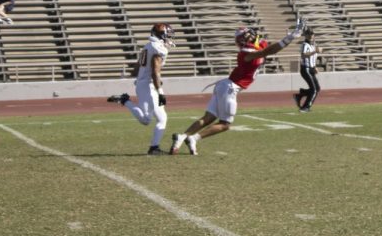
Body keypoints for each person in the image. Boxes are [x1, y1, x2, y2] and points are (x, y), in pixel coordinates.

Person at [170, 17, 306, 155]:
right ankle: (193, 138)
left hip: (225, 85)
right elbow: (268, 52)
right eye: (248, 35)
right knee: (225, 125)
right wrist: (290, 38)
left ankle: (182, 137)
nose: (252, 35)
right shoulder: (245, 53)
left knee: (208, 118)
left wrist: (290, 36)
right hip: (230, 87)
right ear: (243, 40)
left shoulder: (258, 44)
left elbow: (271, 47)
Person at [107, 23, 175, 154]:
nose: (169, 39)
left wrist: (138, 78)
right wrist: (160, 92)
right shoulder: (159, 48)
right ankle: (154, 148)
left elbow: (139, 65)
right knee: (155, 119)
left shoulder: (148, 46)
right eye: (168, 36)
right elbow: (155, 72)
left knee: (153, 119)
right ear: (162, 35)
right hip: (149, 86)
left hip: (145, 84)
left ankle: (124, 101)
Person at [292, 28, 321, 112]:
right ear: (306, 35)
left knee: (317, 88)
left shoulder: (313, 45)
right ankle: (306, 107)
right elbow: (303, 55)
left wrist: (314, 66)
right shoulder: (305, 44)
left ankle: (300, 94)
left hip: (311, 68)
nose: (311, 36)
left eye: (312, 34)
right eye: (309, 34)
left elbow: (313, 57)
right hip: (306, 69)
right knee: (314, 90)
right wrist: (315, 51)